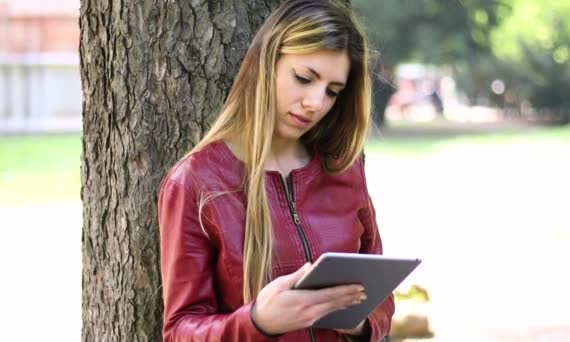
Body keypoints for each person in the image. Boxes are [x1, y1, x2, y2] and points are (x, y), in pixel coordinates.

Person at [157, 1, 394, 341]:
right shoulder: (196, 181)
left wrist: (359, 323)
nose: (315, 103)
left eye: (332, 92)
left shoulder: (345, 168)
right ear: (266, 63)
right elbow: (179, 330)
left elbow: (382, 299)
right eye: (303, 78)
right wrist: (257, 321)